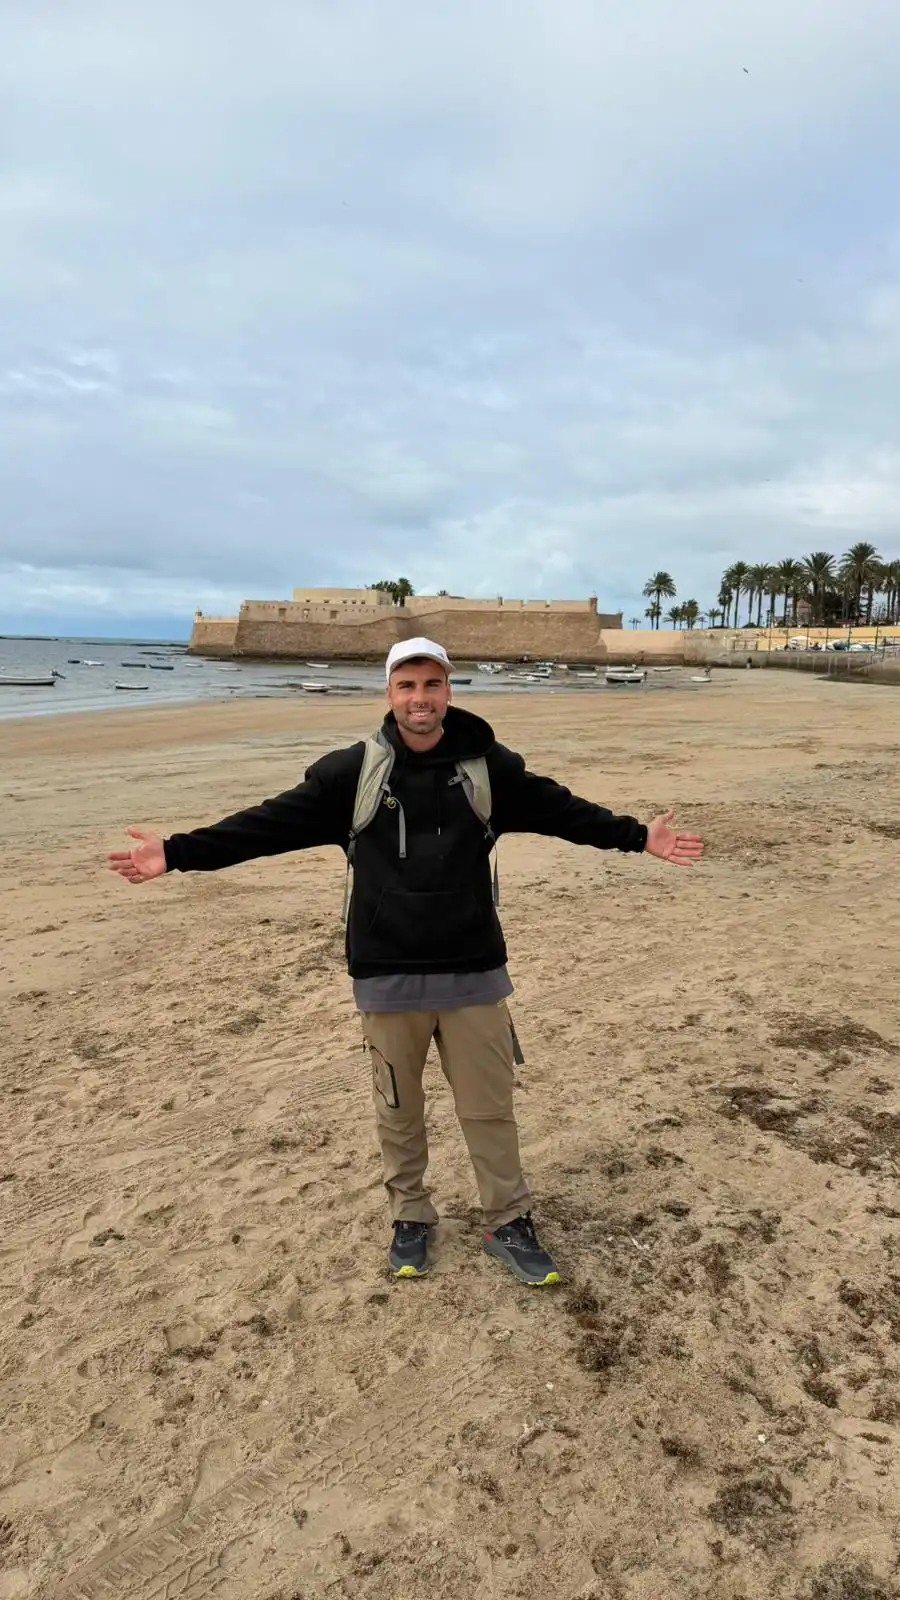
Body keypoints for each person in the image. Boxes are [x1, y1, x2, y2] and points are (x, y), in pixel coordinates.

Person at [108, 637, 703, 1287]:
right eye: (406, 686)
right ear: (389, 695)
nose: (419, 699)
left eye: (431, 685)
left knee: (489, 1106)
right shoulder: (351, 774)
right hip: (387, 974)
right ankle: (410, 1216)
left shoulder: (488, 769)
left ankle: (509, 1219)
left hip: (473, 971)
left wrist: (639, 836)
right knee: (398, 1108)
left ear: (449, 691)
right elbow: (267, 825)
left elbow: (562, 810)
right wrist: (177, 851)